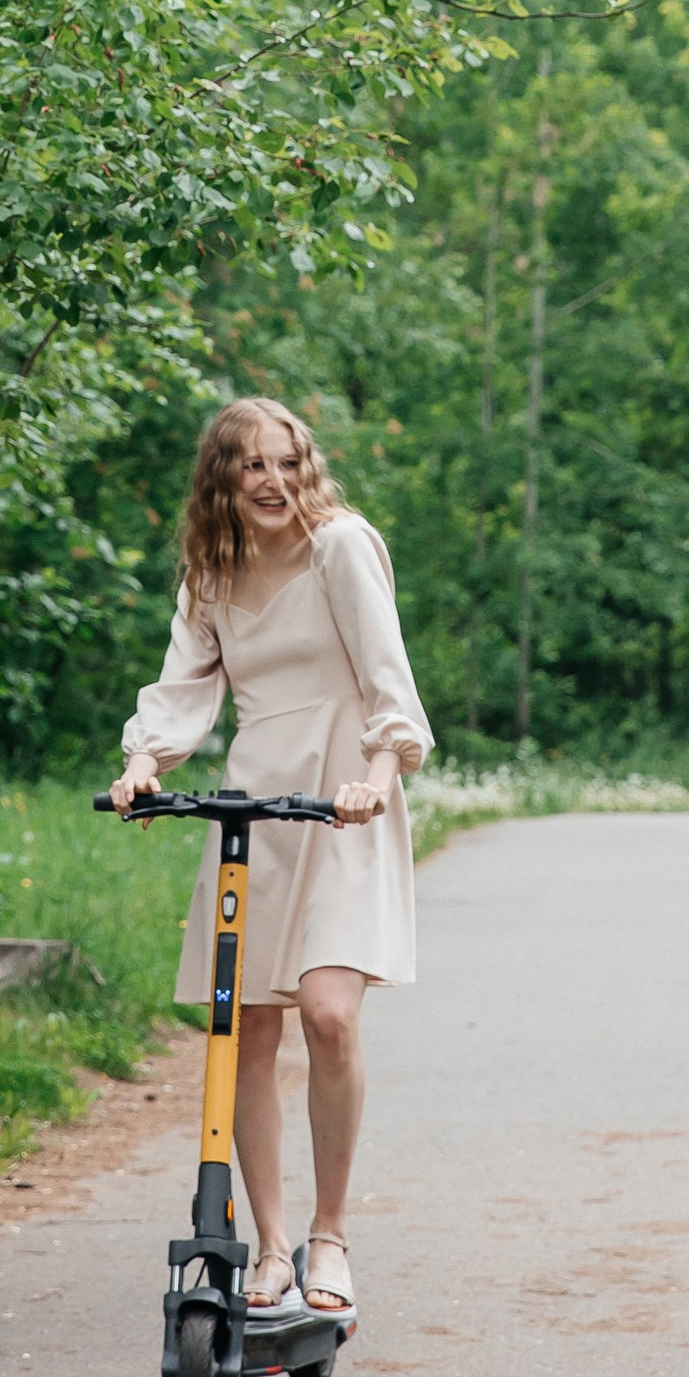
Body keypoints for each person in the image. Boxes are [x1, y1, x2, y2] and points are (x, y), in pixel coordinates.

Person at [111, 398, 432, 1319]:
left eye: (287, 462)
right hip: (255, 804)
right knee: (244, 1034)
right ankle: (272, 1249)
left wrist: (379, 775)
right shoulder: (209, 573)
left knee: (328, 1015)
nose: (273, 481)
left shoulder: (341, 546)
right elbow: (180, 690)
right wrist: (142, 765)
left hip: (343, 800)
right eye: (252, 464)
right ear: (224, 476)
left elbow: (388, 678)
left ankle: (330, 1236)